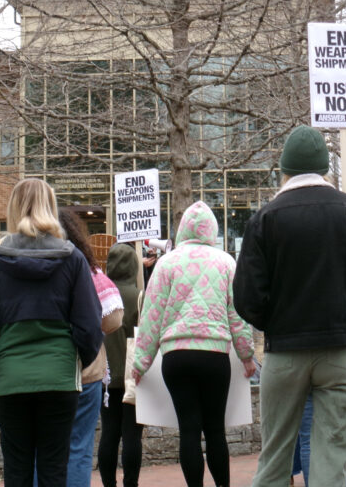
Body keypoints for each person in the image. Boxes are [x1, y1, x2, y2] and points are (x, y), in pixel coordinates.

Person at [233, 125, 346, 487]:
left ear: (284, 169)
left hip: (284, 350)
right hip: (342, 349)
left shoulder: (265, 218)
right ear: (325, 167)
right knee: (332, 460)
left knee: (275, 458)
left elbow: (246, 297)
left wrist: (276, 321)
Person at [0, 178, 104, 487]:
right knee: (55, 467)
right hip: (59, 376)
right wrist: (77, 358)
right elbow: (90, 324)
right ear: (51, 208)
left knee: (17, 468)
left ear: (13, 208)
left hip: (12, 376)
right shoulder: (72, 258)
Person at [132, 200, 256, 487]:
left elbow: (152, 316)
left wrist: (140, 363)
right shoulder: (226, 262)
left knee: (188, 430)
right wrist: (247, 355)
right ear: (211, 230)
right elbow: (237, 315)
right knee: (215, 430)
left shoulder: (166, 263)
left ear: (183, 228)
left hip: (176, 357)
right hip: (214, 356)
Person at [56, 209, 124, 487]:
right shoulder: (87, 270)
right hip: (86, 370)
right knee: (78, 448)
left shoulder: (16, 265)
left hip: (39, 371)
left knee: (39, 450)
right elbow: (113, 318)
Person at [98, 242, 145, 487]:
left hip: (105, 376)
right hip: (132, 376)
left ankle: (108, 484)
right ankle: (131, 483)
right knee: (132, 435)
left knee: (109, 434)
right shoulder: (138, 296)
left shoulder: (102, 295)